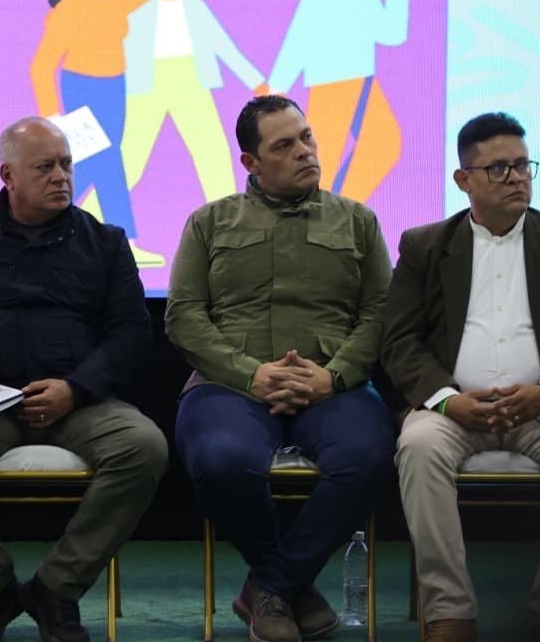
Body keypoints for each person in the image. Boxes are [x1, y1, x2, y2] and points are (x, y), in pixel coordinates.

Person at [0, 116, 167, 642]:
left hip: (79, 400)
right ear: (8, 175)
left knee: (144, 446)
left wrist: (77, 388)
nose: (61, 177)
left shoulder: (106, 242)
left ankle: (56, 588)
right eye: (45, 167)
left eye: (67, 165)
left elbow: (131, 333)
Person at [166, 95, 395, 642]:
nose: (305, 152)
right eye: (284, 145)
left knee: (367, 457)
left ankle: (270, 585)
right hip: (230, 385)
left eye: (307, 137)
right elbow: (183, 316)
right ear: (251, 161)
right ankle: (293, 588)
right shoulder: (209, 221)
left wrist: (334, 375)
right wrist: (250, 373)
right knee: (221, 460)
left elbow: (382, 312)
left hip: (334, 386)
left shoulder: (358, 221)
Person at [381, 112, 540, 642]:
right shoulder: (425, 246)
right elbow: (399, 341)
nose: (516, 178)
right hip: (455, 410)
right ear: (464, 179)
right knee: (418, 446)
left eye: (523, 166)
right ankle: (450, 613)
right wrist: (447, 400)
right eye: (499, 169)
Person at [29, 0, 164, 267]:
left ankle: (39, 221)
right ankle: (126, 240)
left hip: (115, 86)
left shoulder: (116, 2)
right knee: (107, 158)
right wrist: (51, 112)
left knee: (96, 160)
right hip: (81, 85)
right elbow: (41, 65)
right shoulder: (69, 8)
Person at [267, 0, 419, 202]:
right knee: (322, 156)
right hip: (331, 81)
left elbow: (391, 34)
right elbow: (300, 36)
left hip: (361, 79)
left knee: (384, 142)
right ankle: (323, 212)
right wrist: (278, 83)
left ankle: (340, 207)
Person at [121, 0, 269, 206]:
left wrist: (255, 81)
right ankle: (86, 215)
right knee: (131, 157)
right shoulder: (139, 9)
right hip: (149, 84)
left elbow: (222, 45)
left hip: (189, 79)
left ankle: (230, 216)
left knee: (212, 150)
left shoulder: (194, 5)